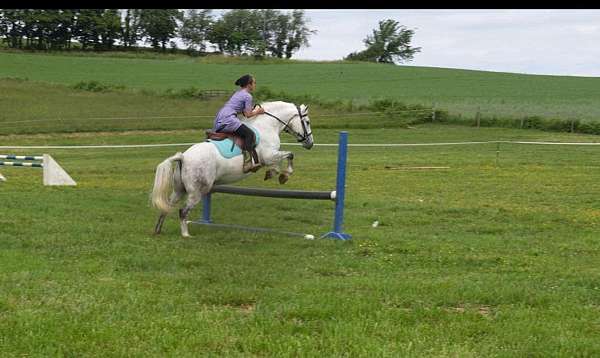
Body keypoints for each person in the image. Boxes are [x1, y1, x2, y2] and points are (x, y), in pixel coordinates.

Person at [212, 74, 265, 172]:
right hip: (228, 119)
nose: (255, 85)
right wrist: (258, 111)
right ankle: (248, 162)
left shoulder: (238, 93)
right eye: (254, 83)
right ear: (249, 85)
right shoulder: (248, 96)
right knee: (250, 134)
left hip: (220, 118)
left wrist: (250, 111)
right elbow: (248, 115)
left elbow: (244, 112)